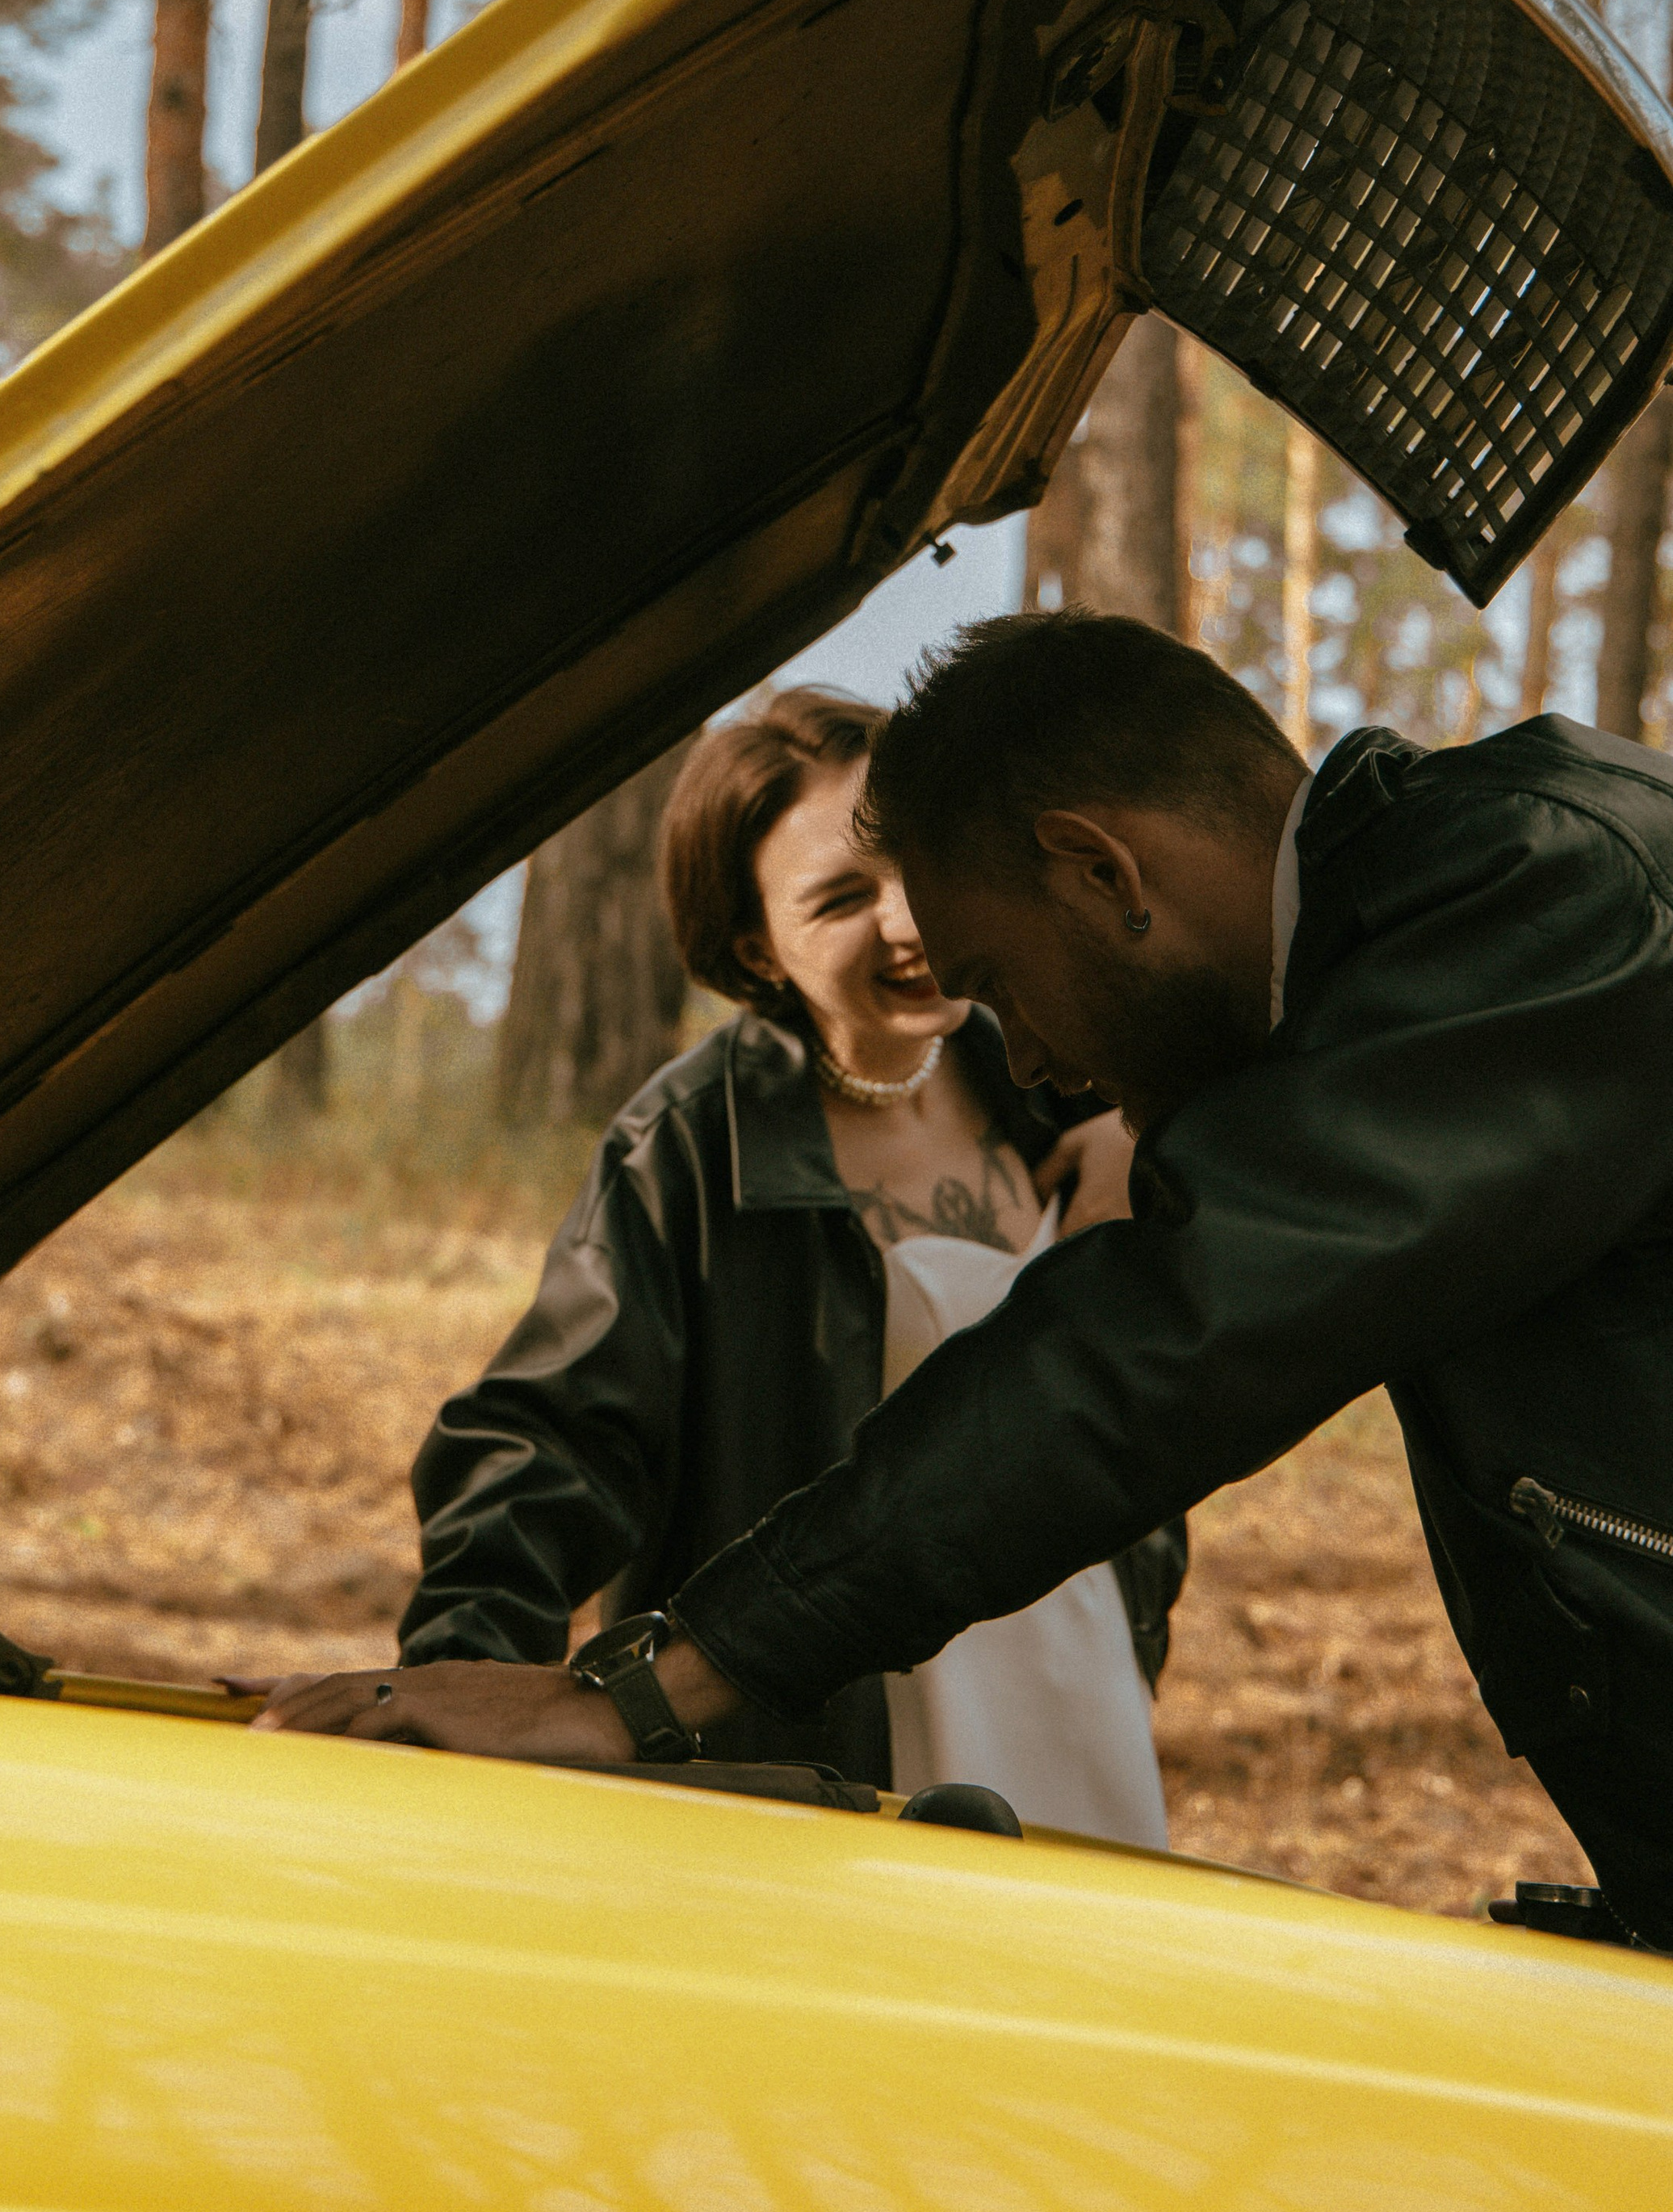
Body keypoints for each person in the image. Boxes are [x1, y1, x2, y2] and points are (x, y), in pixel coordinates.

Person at [259, 609, 1673, 1950]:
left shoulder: (1552, 901)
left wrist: (652, 1683)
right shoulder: (1483, 912)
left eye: (996, 977)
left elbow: (1171, 1340)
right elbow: (554, 1437)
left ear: (1101, 870)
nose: (1040, 1059)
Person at [394, 685, 1185, 1833]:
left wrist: (1143, 1138)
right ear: (756, 943)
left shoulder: (1068, 1087)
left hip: (1074, 1704)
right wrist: (455, 1693)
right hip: (820, 1743)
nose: (909, 922)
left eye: (912, 863)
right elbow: (551, 1443)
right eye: (841, 900)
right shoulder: (692, 1148)